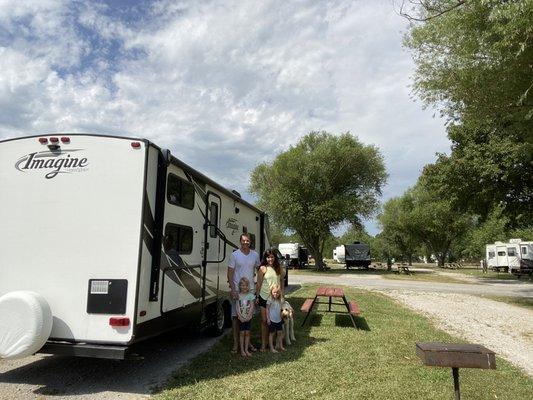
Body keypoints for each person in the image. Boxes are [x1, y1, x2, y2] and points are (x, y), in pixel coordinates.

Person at [227, 233, 261, 354]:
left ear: (250, 242)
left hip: (250, 291)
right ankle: (236, 344)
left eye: (247, 241)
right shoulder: (234, 255)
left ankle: (248, 342)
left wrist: (258, 287)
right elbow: (230, 273)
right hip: (238, 291)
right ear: (240, 241)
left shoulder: (255, 255)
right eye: (243, 241)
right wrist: (232, 289)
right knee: (236, 318)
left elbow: (260, 270)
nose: (245, 243)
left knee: (248, 317)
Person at [256, 249, 285, 351]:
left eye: (272, 257)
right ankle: (264, 344)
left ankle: (273, 343)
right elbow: (258, 283)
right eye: (268, 257)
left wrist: (282, 295)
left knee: (275, 320)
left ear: (275, 257)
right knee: (264, 321)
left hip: (275, 298)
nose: (270, 259)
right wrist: (257, 297)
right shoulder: (262, 268)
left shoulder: (279, 268)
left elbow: (281, 282)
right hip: (264, 297)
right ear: (265, 258)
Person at [236, 277, 255, 357]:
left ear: (248, 286)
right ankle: (242, 350)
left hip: (248, 317)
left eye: (246, 285)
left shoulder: (250, 295)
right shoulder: (238, 296)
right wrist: (240, 316)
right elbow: (237, 307)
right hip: (241, 318)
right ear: (240, 286)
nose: (244, 287)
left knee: (247, 333)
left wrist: (249, 316)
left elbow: (252, 306)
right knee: (242, 333)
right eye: (242, 285)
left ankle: (246, 349)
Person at [266, 284, 285, 353]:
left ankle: (281, 346)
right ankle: (272, 348)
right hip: (272, 320)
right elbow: (267, 309)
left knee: (280, 332)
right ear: (271, 292)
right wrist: (268, 318)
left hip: (279, 319)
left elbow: (282, 309)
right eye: (274, 292)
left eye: (277, 292)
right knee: (272, 333)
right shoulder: (270, 299)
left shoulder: (280, 300)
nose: (276, 294)